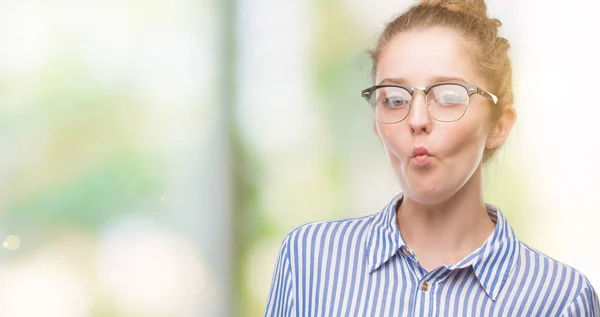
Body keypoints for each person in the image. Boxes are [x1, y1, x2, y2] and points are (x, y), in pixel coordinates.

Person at [264, 0, 600, 316]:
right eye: (395, 99)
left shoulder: (560, 299)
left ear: (499, 125)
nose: (417, 119)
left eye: (449, 97)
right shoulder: (309, 258)